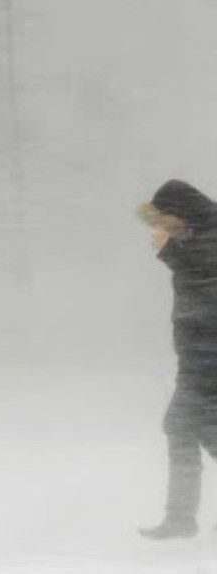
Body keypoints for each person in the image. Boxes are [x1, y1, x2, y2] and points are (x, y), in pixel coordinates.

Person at [139, 180, 217, 540]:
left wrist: (169, 250)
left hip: (210, 357)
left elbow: (203, 277)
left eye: (167, 221)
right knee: (185, 427)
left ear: (183, 212)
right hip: (198, 356)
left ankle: (181, 518)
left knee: (187, 426)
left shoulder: (210, 236)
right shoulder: (197, 235)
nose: (164, 230)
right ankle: (180, 518)